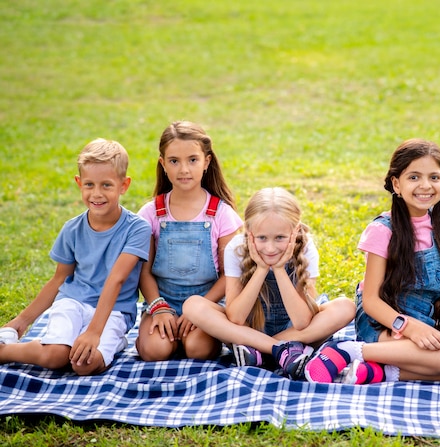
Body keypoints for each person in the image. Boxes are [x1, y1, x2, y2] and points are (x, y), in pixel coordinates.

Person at [304, 139, 440, 384]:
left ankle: (375, 373)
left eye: (434, 177)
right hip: (383, 324)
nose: (425, 186)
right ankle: (348, 351)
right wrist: (408, 328)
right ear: (396, 184)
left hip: (422, 321)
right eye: (414, 177)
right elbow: (371, 301)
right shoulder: (382, 230)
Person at [0, 139, 151, 375]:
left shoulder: (137, 229)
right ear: (79, 183)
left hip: (115, 310)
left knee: (83, 365)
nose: (97, 193)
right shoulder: (72, 229)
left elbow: (116, 280)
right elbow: (59, 279)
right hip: (73, 302)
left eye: (107, 185)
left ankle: (112, 341)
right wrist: (20, 322)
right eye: (89, 184)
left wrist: (94, 332)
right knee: (55, 356)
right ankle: (5, 352)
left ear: (124, 185)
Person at [183, 187, 356, 379]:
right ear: (249, 233)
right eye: (262, 238)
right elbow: (236, 318)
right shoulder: (237, 249)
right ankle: (281, 351)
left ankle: (257, 351)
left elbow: (302, 321)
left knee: (345, 307)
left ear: (295, 231)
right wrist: (261, 269)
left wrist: (280, 270)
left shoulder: (305, 249)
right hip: (248, 328)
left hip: (292, 331)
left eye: (280, 238)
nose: (270, 248)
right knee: (193, 305)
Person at [135, 121, 243, 361]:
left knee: (197, 349)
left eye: (192, 160)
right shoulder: (151, 213)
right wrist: (158, 307)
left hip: (207, 303)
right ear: (163, 164)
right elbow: (144, 272)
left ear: (207, 162)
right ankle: (147, 336)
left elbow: (230, 275)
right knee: (155, 351)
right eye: (174, 161)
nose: (184, 169)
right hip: (163, 302)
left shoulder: (221, 214)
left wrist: (199, 310)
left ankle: (195, 335)